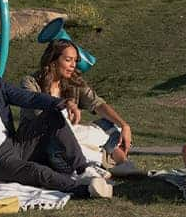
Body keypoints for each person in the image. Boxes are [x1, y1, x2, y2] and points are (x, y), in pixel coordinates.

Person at [0, 43, 113, 199]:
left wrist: (63, 103)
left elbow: (29, 97)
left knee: (52, 114)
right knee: (36, 171)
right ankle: (83, 189)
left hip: (14, 144)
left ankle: (84, 169)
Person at [21, 39, 134, 174]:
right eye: (68, 60)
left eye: (75, 61)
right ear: (53, 60)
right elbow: (38, 112)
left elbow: (97, 103)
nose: (73, 65)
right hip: (42, 138)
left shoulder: (73, 81)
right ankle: (100, 163)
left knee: (111, 125)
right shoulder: (30, 82)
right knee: (66, 144)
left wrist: (124, 125)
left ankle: (121, 163)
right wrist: (65, 105)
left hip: (73, 133)